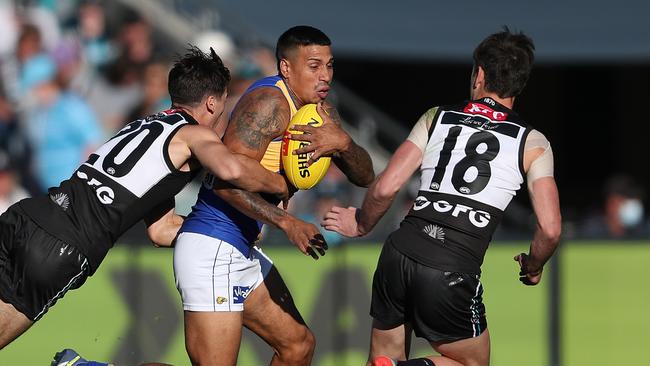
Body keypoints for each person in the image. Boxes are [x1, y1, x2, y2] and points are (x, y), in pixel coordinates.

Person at [0, 46, 290, 350]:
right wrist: (279, 184)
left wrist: (220, 233)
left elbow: (160, 230)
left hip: (27, 216)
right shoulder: (194, 134)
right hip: (64, 246)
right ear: (212, 102)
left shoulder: (142, 125)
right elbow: (230, 168)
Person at [322, 28, 562, 366]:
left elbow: (387, 185)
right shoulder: (533, 143)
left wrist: (361, 223)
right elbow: (550, 229)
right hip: (452, 267)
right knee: (470, 363)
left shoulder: (438, 116)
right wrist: (534, 266)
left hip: (400, 251)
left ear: (479, 75)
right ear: (520, 84)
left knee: (382, 358)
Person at [172, 25, 375, 365]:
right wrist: (287, 221)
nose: (324, 76)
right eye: (313, 66)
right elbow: (224, 183)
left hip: (242, 247)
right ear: (286, 68)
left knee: (298, 347)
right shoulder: (268, 103)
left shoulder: (322, 114)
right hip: (213, 244)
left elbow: (366, 176)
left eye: (329, 65)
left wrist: (344, 143)